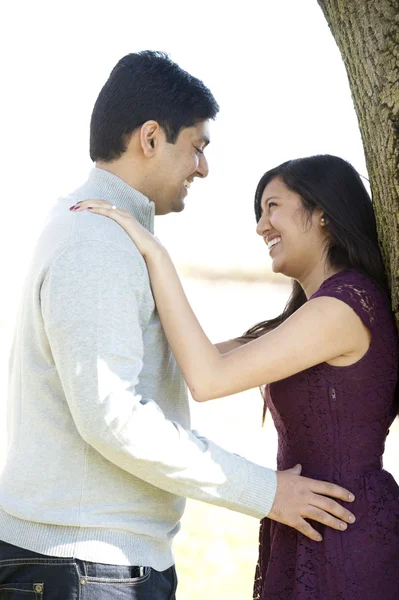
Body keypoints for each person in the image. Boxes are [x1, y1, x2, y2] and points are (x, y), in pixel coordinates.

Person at [0, 52, 355, 600]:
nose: (203, 168)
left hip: (94, 564)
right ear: (149, 138)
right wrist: (267, 492)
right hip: (85, 566)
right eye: (197, 146)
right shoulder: (95, 242)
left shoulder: (104, 234)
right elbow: (113, 416)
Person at [74, 153, 399, 600]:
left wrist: (154, 252)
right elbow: (186, 361)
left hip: (343, 526)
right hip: (307, 516)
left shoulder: (343, 307)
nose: (261, 226)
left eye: (273, 207)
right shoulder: (312, 315)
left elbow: (209, 379)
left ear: (322, 212)